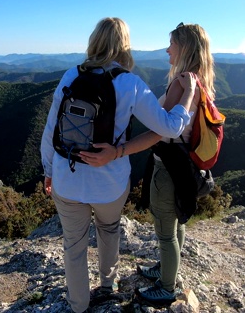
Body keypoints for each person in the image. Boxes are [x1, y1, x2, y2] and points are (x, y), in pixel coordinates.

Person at [40, 17, 197, 313]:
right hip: (109, 182)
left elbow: (50, 131)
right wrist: (188, 94)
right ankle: (107, 286)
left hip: (67, 176)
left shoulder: (69, 76)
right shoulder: (129, 83)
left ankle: (78, 306)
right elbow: (169, 126)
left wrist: (48, 171)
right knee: (108, 228)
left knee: (73, 246)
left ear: (94, 41)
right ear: (124, 45)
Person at [80, 22, 216, 305]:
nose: (168, 49)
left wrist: (119, 151)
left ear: (185, 48)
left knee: (166, 231)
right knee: (175, 223)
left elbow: (158, 130)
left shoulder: (182, 83)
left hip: (168, 166)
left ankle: (167, 287)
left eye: (172, 44)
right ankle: (168, 270)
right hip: (182, 164)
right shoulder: (199, 80)